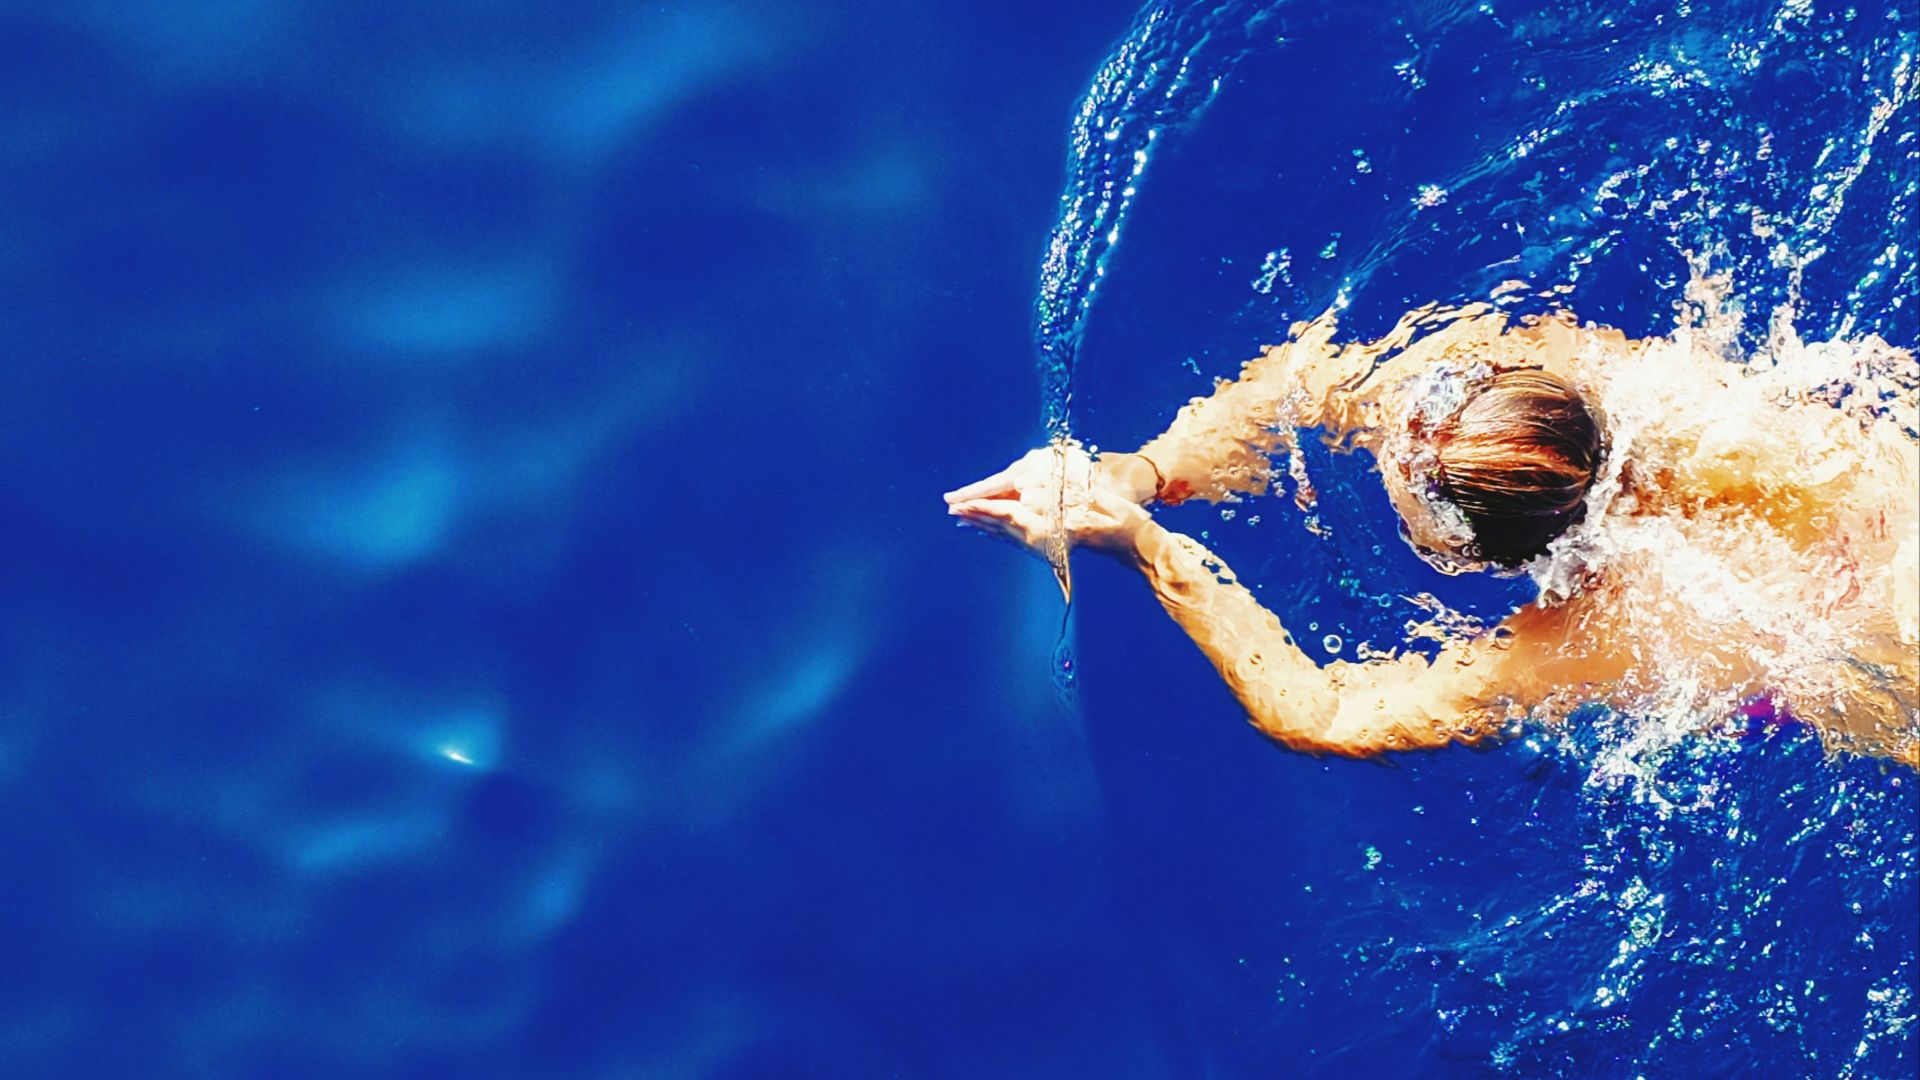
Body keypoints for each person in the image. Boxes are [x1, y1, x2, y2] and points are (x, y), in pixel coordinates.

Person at [946, 301, 1919, 763]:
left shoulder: (1602, 630)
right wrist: (1137, 473)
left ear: (1464, 553)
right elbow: (1310, 383)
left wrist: (1145, 546)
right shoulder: (1579, 386)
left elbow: (1321, 713)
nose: (1387, 419)